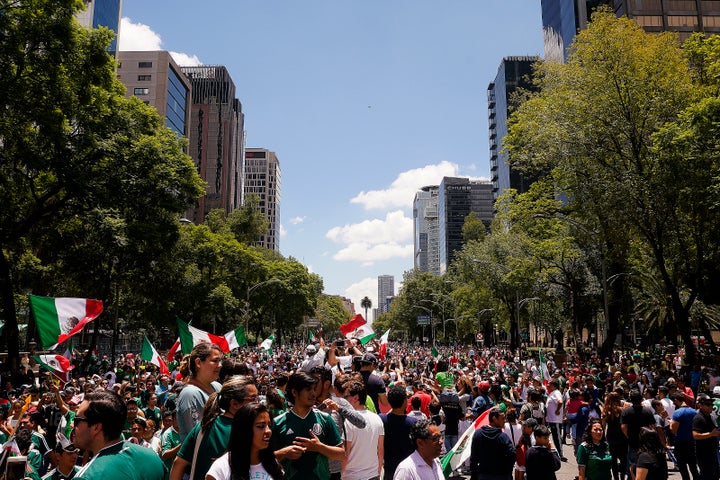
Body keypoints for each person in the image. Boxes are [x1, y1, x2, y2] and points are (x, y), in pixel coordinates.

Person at [170, 375, 257, 480]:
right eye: (253, 399)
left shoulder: (203, 425)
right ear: (234, 403)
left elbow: (178, 463)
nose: (258, 403)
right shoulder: (247, 432)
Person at [72, 390, 165, 480]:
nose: (72, 424)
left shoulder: (86, 477)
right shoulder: (152, 457)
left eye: (77, 420)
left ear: (96, 427)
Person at [271, 371, 344, 480]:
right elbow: (265, 459)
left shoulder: (325, 419)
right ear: (295, 392)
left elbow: (341, 454)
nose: (313, 393)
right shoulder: (277, 423)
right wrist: (284, 453)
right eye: (308, 389)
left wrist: (319, 447)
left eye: (314, 389)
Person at [205, 403, 284, 480]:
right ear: (244, 430)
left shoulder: (272, 463)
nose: (268, 431)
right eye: (260, 426)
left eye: (269, 426)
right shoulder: (221, 469)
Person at [176, 343, 223, 441]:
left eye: (220, 361)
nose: (220, 365)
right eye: (215, 361)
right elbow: (198, 437)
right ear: (198, 363)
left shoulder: (217, 386)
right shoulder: (190, 394)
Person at [341, 380, 384, 480]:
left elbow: (345, 454)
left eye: (346, 397)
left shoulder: (349, 421)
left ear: (356, 398)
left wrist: (342, 475)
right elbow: (380, 450)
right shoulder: (377, 418)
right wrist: (378, 472)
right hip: (372, 475)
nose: (343, 400)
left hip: (352, 476)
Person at [380, 385, 418, 480]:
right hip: (409, 470)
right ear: (405, 401)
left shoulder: (381, 420)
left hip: (389, 468)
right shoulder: (413, 423)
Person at [470, 406, 516, 480]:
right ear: (494, 419)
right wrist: (507, 470)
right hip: (501, 475)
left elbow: (473, 457)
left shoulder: (478, 434)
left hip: (483, 474)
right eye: (502, 418)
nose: (504, 421)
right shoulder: (503, 437)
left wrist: (474, 474)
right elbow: (512, 455)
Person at [620, 389, 655, 476]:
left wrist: (628, 436)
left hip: (633, 441)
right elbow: (653, 426)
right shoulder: (647, 411)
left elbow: (623, 427)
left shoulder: (626, 411)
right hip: (647, 442)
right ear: (641, 399)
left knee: (633, 464)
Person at [669, 392, 700, 480]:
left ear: (675, 400)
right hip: (692, 442)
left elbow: (673, 430)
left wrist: (671, 423)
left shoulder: (677, 413)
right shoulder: (694, 412)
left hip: (680, 442)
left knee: (683, 467)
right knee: (693, 467)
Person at [691, 394, 720, 480]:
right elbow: (695, 435)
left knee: (715, 475)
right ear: (701, 405)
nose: (711, 406)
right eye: (708, 404)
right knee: (707, 475)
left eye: (711, 404)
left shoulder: (710, 417)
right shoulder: (698, 418)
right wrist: (711, 434)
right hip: (704, 454)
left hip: (712, 452)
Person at [545, 379, 566, 462]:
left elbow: (560, 402)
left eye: (549, 384)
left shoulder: (556, 393)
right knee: (554, 437)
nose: (548, 385)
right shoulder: (552, 393)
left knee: (557, 437)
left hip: (555, 420)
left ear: (553, 385)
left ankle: (560, 454)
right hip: (551, 420)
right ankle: (557, 453)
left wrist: (557, 410)